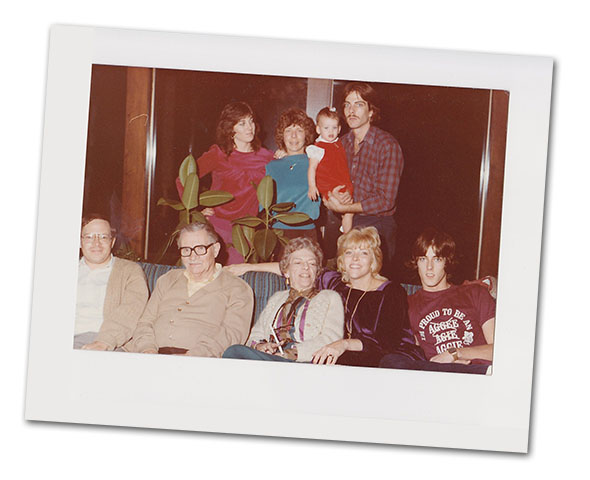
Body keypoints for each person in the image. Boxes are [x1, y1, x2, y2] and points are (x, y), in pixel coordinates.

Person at [225, 227, 422, 368]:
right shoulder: (336, 284)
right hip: (339, 354)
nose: (354, 259)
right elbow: (297, 268)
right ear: (341, 259)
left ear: (374, 259)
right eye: (349, 253)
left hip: (387, 356)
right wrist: (248, 267)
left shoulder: (390, 292)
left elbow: (387, 342)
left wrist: (343, 344)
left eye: (363, 253)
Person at [128, 222, 254, 357]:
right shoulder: (167, 280)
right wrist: (147, 349)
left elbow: (232, 333)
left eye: (200, 248)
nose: (192, 257)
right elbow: (145, 322)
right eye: (186, 250)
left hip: (200, 361)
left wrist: (193, 356)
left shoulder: (237, 288)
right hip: (152, 356)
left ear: (215, 249)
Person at [380, 228, 495, 374]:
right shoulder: (407, 304)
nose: (429, 267)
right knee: (390, 361)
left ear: (447, 261)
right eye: (423, 259)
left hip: (476, 373)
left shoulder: (475, 293)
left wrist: (455, 354)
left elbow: (498, 350)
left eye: (437, 259)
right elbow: (406, 352)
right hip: (436, 376)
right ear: (416, 262)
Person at [322, 82, 404, 273]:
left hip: (377, 227)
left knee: (373, 289)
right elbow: (323, 174)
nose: (351, 110)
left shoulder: (387, 145)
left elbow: (386, 200)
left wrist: (345, 207)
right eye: (347, 104)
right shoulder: (340, 143)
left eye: (358, 104)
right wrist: (329, 197)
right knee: (342, 283)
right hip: (343, 223)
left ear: (371, 112)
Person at [178, 101, 274, 264]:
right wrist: (197, 209)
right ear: (230, 129)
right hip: (217, 227)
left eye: (251, 121)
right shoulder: (218, 154)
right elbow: (184, 178)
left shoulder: (266, 157)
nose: (249, 127)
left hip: (245, 231)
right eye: (242, 123)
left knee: (235, 280)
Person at [222, 237, 344, 362]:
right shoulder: (277, 298)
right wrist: (261, 346)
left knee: (235, 354)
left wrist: (292, 353)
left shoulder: (330, 297)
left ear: (317, 271)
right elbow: (256, 334)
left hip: (304, 362)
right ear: (286, 272)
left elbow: (331, 338)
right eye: (298, 262)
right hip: (271, 359)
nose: (306, 267)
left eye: (312, 263)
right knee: (235, 350)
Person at [74, 214, 149, 351]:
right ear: (79, 242)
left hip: (110, 343)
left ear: (112, 242)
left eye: (103, 237)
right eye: (89, 237)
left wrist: (105, 341)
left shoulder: (130, 271)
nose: (96, 243)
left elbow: (131, 309)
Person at [265, 108, 320, 243]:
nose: (293, 136)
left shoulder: (317, 162)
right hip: (278, 233)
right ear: (282, 136)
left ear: (306, 135)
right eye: (288, 131)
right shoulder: (271, 166)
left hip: (307, 232)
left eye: (299, 131)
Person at [305, 107, 354, 234]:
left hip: (342, 183)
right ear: (318, 129)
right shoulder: (318, 148)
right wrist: (312, 186)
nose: (330, 131)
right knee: (348, 210)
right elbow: (312, 168)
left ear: (339, 129)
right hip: (328, 186)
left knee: (349, 210)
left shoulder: (339, 143)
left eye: (334, 127)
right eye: (326, 128)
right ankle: (346, 234)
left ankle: (346, 231)